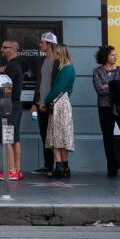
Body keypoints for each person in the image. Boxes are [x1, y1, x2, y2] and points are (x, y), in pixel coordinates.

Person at [92, 45, 120, 178]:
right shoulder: (97, 71)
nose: (116, 57)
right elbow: (100, 90)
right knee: (108, 139)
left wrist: (109, 85)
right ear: (105, 56)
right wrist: (115, 85)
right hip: (104, 108)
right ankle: (112, 169)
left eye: (116, 55)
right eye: (113, 55)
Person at [42, 42, 76, 178]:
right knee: (64, 135)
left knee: (56, 135)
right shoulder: (69, 68)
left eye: (55, 53)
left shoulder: (66, 68)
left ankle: (59, 167)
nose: (54, 55)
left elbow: (57, 88)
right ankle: (65, 167)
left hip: (59, 104)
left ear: (59, 53)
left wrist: (46, 101)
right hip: (65, 102)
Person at [30, 32, 59, 175]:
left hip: (53, 105)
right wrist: (35, 103)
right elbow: (39, 84)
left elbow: (58, 85)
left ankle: (58, 165)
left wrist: (49, 102)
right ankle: (48, 165)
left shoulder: (59, 61)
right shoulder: (41, 61)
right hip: (40, 104)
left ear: (50, 44)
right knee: (44, 135)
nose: (40, 45)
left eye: (42, 43)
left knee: (54, 136)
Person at [0, 40, 25, 181]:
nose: (2, 50)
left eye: (5, 47)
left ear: (13, 49)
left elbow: (3, 87)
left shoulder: (12, 67)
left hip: (9, 105)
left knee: (7, 138)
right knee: (15, 138)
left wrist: (1, 74)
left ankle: (12, 170)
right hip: (15, 105)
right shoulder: (17, 64)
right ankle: (17, 170)